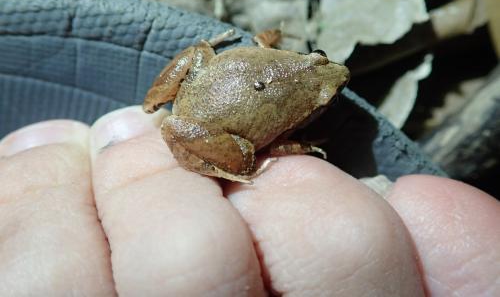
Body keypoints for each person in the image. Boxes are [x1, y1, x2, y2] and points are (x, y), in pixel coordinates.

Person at [0, 106, 498, 296]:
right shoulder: (296, 106)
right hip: (211, 121)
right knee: (258, 171)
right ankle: (219, 166)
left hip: (204, 97)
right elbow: (271, 138)